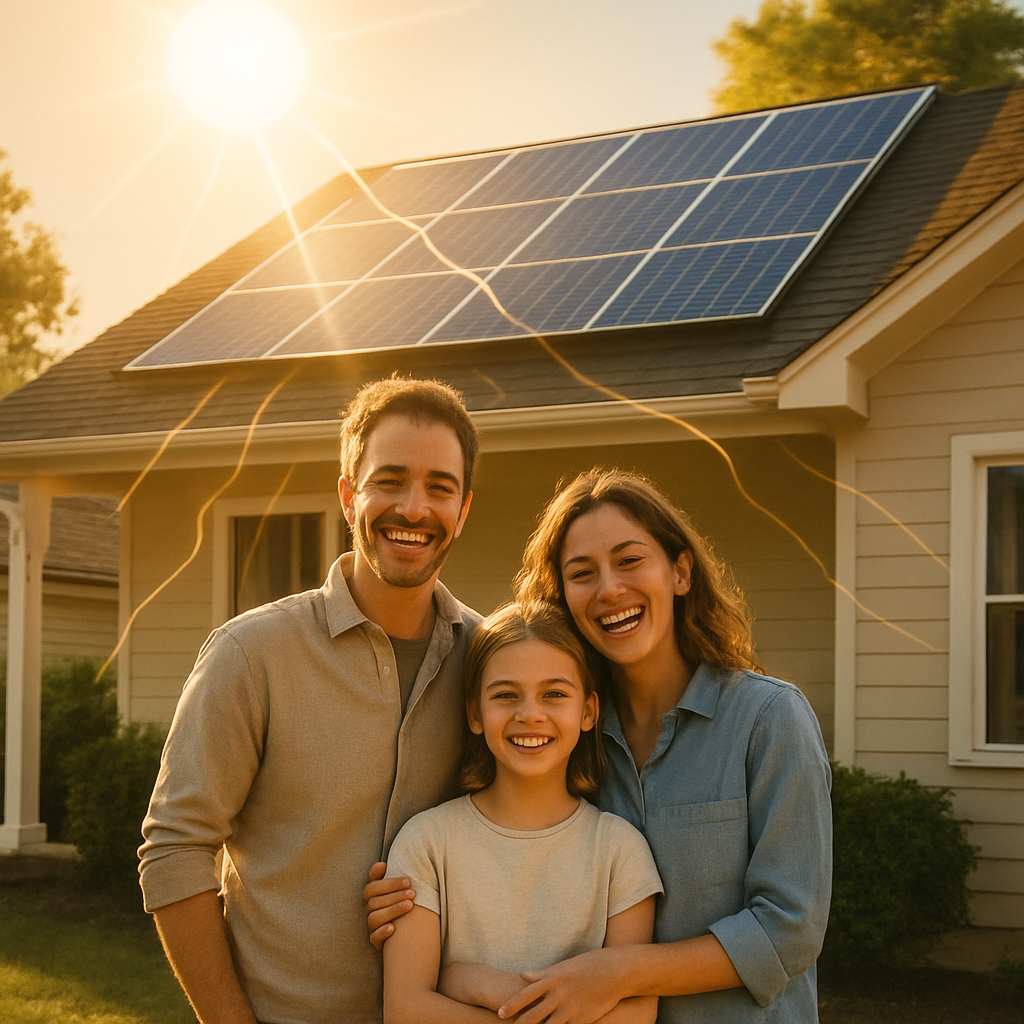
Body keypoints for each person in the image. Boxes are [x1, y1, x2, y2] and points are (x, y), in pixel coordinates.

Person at [368, 468, 832, 1024]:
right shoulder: (568, 737)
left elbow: (790, 928)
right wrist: (414, 912)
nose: (610, 589)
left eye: (630, 560)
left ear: (680, 571)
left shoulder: (768, 720)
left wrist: (618, 973)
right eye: (582, 573)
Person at [139, 376, 481, 1024]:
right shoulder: (250, 656)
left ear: (463, 510)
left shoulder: (490, 665)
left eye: (440, 488)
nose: (414, 508)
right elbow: (174, 851)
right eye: (390, 481)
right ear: (349, 496)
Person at [383, 601, 663, 1024]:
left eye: (554, 694)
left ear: (588, 711)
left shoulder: (620, 851)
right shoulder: (427, 843)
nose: (530, 714)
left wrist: (466, 982)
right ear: (475, 712)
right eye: (505, 695)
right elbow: (406, 1010)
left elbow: (636, 1013)